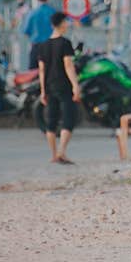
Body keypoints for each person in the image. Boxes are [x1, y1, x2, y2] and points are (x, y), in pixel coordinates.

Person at [38, 11, 81, 164]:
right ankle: (62, 152)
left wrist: (42, 90)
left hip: (49, 86)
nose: (68, 24)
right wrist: (76, 86)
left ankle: (54, 154)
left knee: (51, 122)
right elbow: (68, 65)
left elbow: (41, 70)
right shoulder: (65, 43)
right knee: (68, 119)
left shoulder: (43, 46)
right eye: (66, 21)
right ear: (62, 23)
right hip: (63, 86)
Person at [20, 0, 57, 69]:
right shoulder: (53, 12)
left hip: (36, 48)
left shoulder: (32, 13)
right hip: (51, 48)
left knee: (33, 75)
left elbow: (26, 30)